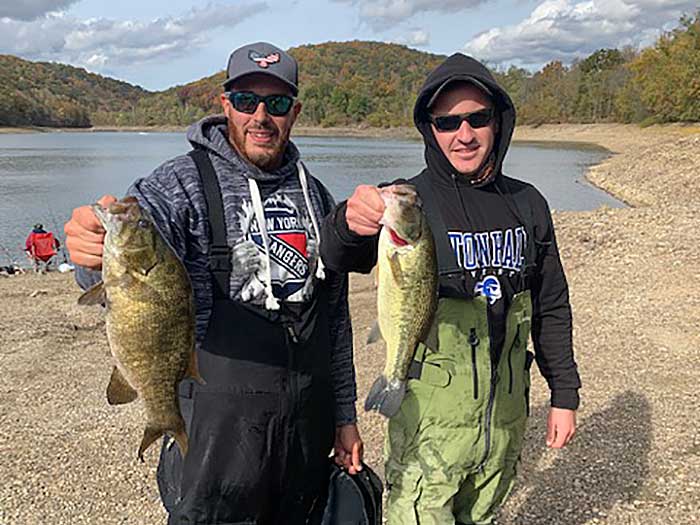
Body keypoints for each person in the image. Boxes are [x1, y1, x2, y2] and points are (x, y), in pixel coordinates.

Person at [64, 42, 363, 525]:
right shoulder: (178, 185)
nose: (261, 116)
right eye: (247, 101)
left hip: (304, 431)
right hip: (213, 434)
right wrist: (91, 251)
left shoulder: (316, 195)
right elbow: (135, 244)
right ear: (225, 105)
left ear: (295, 112)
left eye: (278, 103)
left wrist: (344, 415)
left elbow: (336, 317)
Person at [320, 53, 581, 525]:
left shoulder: (528, 203)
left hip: (503, 426)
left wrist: (564, 394)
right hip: (428, 433)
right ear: (430, 130)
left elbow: (551, 306)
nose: (464, 135)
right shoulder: (408, 202)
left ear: (498, 123)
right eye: (447, 122)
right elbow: (336, 256)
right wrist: (347, 222)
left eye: (477, 118)